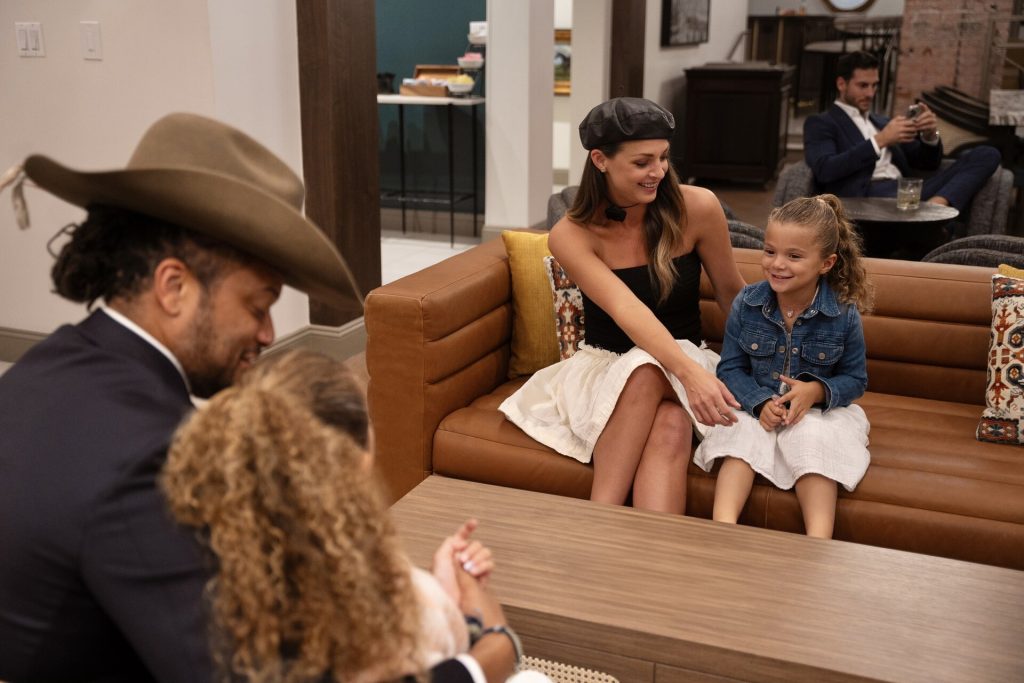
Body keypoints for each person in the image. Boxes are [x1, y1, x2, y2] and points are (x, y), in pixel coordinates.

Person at [0, 113, 504, 682]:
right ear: (174, 287)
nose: (267, 335)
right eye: (257, 305)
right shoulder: (151, 460)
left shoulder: (42, 370)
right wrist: (481, 659)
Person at [163, 350, 519, 682]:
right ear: (353, 456)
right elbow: (461, 656)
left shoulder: (202, 579)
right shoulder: (389, 606)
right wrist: (480, 619)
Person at [499, 97, 745, 514]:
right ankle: (605, 522)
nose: (659, 172)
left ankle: (616, 537)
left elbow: (732, 293)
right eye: (642, 162)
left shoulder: (698, 208)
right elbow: (627, 311)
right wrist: (689, 378)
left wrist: (776, 356)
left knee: (670, 424)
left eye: (664, 158)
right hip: (605, 368)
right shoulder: (571, 234)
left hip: (686, 358)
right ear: (600, 160)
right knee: (647, 372)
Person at [693, 195, 872, 539]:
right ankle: (721, 532)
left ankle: (817, 540)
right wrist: (759, 403)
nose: (777, 264)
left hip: (817, 413)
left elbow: (855, 379)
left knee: (812, 435)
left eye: (794, 256)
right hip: (756, 404)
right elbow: (730, 369)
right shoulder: (747, 303)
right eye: (770, 251)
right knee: (741, 430)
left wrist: (816, 391)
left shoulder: (844, 314)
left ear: (826, 263)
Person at [805, 51, 1001, 212]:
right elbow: (825, 169)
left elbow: (927, 164)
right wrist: (879, 141)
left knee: (987, 154)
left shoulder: (882, 121)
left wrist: (930, 135)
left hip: (909, 191)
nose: (870, 93)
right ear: (841, 84)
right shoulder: (821, 122)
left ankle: (937, 206)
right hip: (869, 196)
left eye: (874, 86)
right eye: (863, 86)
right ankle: (932, 219)